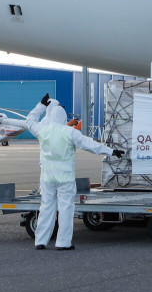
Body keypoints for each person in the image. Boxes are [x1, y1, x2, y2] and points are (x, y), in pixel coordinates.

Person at [26, 94, 123, 250]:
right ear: (63, 117)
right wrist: (111, 151)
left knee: (46, 207)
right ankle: (63, 243)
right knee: (66, 209)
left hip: (47, 178)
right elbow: (90, 145)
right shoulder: (70, 132)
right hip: (65, 178)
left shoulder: (42, 131)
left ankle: (40, 241)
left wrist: (41, 105)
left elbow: (30, 121)